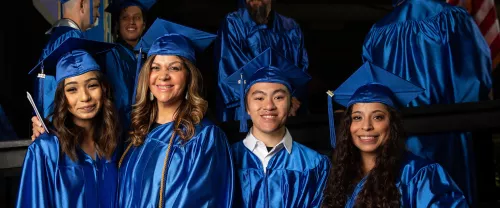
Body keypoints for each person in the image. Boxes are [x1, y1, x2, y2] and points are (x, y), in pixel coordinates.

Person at [361, 0, 493, 204]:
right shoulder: (452, 18)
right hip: (448, 132)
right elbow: (473, 82)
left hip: (396, 137)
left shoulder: (378, 32)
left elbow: (371, 91)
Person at [116, 18, 234, 207]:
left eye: (174, 68)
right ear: (147, 75)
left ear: (189, 77)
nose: (163, 76)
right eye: (156, 68)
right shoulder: (136, 132)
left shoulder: (204, 137)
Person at [322, 62, 468, 207]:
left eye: (377, 117)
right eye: (357, 117)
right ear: (349, 125)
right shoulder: (340, 177)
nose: (366, 126)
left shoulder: (421, 175)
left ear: (392, 124)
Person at [17, 37, 120, 208]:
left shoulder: (115, 142)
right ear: (62, 98)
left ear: (103, 89)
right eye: (72, 89)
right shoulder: (46, 150)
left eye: (92, 85)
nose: (85, 97)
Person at [224, 48, 330, 207]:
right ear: (246, 106)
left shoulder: (315, 164)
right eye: (259, 98)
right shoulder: (226, 159)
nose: (269, 106)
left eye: (279, 97)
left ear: (291, 105)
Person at [215, 0, 309, 127]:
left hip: (288, 109)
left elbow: (301, 69)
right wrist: (265, 100)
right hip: (248, 109)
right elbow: (231, 67)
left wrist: (293, 98)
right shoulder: (234, 22)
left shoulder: (290, 27)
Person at [34, 0, 101, 119]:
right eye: (96, 7)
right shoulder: (70, 39)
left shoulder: (57, 35)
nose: (98, 14)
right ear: (82, 4)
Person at [102, 0, 155, 130]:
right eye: (125, 18)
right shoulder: (111, 54)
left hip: (149, 124)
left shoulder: (152, 56)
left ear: (143, 24)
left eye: (137, 18)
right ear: (118, 24)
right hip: (121, 128)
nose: (131, 22)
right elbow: (120, 98)